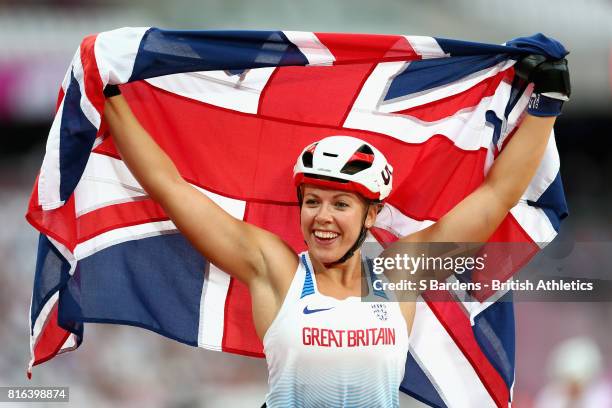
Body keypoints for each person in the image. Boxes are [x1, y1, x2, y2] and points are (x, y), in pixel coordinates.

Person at [102, 55, 570, 407]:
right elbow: (169, 188)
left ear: (372, 214)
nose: (321, 217)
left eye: (340, 204)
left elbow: (497, 196)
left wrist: (547, 104)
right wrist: (110, 95)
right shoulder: (278, 271)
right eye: (312, 202)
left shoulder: (397, 275)